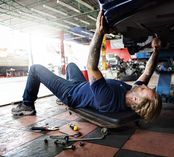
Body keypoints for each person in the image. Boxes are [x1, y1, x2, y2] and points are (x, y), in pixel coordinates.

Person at [11, 11, 162, 121]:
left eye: (143, 88)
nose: (143, 85)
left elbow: (92, 67)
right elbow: (148, 72)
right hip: (82, 85)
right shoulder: (132, 92)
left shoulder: (108, 99)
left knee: (35, 69)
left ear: (135, 100)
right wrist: (156, 49)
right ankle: (59, 96)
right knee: (71, 65)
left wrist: (99, 32)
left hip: (71, 93)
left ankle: (28, 105)